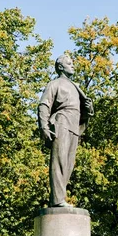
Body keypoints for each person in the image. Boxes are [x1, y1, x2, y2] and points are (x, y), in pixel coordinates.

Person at [37, 54, 93, 207]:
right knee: (59, 161)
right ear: (60, 67)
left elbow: (82, 111)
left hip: (74, 126)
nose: (73, 65)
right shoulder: (54, 84)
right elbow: (44, 105)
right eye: (69, 63)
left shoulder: (75, 87)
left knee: (68, 164)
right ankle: (57, 200)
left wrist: (88, 111)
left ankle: (60, 197)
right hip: (61, 122)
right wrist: (44, 126)